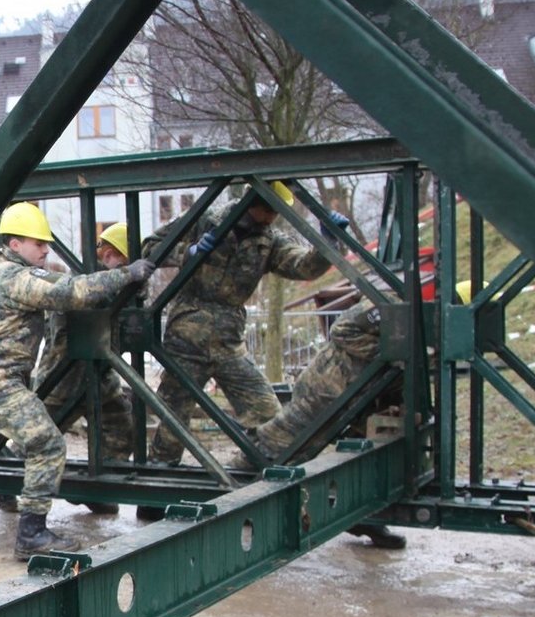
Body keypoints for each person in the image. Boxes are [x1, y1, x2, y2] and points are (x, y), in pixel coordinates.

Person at [0, 202, 153, 560]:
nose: (45, 249)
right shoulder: (16, 277)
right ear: (15, 244)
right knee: (48, 445)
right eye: (38, 243)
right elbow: (72, 292)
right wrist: (126, 275)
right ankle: (32, 534)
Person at [137, 182, 340, 505]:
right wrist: (186, 253)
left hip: (229, 340)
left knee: (265, 409)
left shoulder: (269, 240)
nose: (272, 218)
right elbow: (150, 246)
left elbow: (303, 266)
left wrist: (328, 243)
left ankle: (254, 469)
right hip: (188, 331)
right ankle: (157, 491)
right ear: (251, 201)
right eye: (269, 210)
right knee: (174, 414)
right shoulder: (206, 218)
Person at [235, 288, 410, 549]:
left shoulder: (419, 324)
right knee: (281, 447)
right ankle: (236, 498)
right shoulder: (387, 302)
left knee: (364, 459)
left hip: (363, 399)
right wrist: (389, 354)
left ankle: (363, 517)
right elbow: (342, 330)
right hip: (326, 391)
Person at [2, 223, 140, 516]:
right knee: (40, 437)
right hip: (63, 376)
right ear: (110, 256)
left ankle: (95, 489)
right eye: (124, 262)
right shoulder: (82, 284)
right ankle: (5, 480)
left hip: (100, 375)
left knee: (120, 427)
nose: (126, 269)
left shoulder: (115, 284)